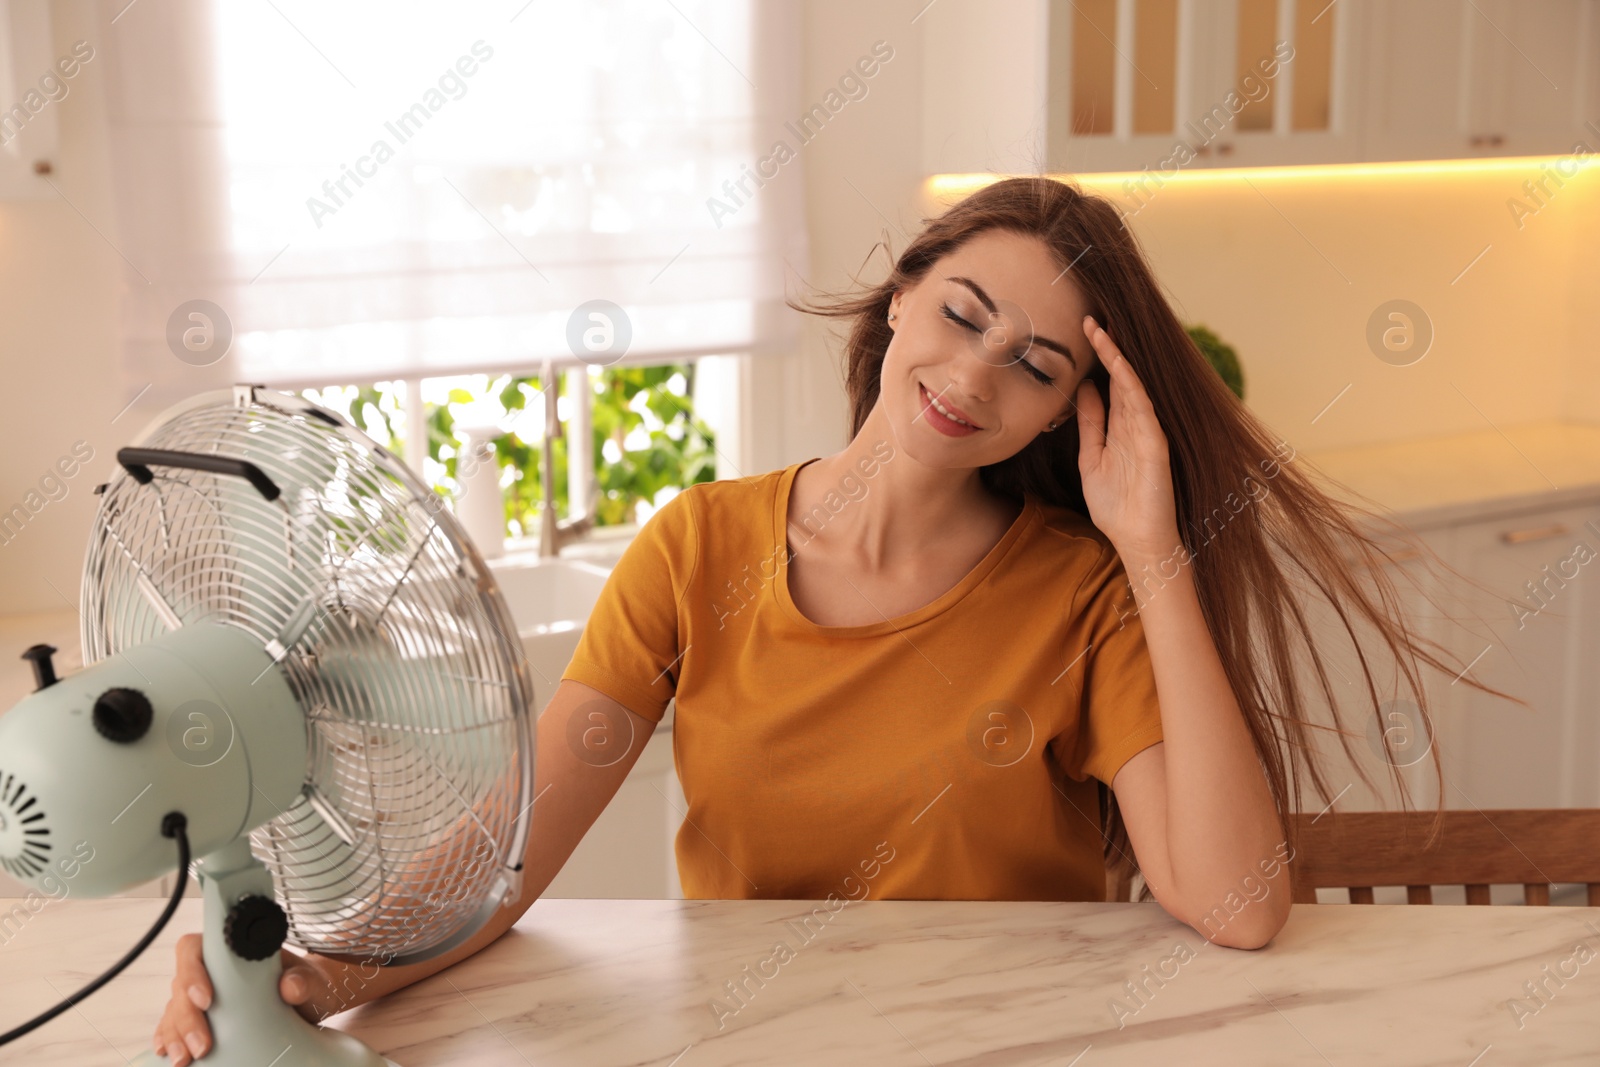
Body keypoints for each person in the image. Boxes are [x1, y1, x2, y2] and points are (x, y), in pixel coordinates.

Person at [149, 176, 1518, 1063]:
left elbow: (1236, 908)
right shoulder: (698, 549)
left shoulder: (1085, 595)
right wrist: (324, 976)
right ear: (901, 294)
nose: (974, 374)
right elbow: (510, 855)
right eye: (963, 314)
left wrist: (1154, 548)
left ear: (1068, 410)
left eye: (1034, 364)